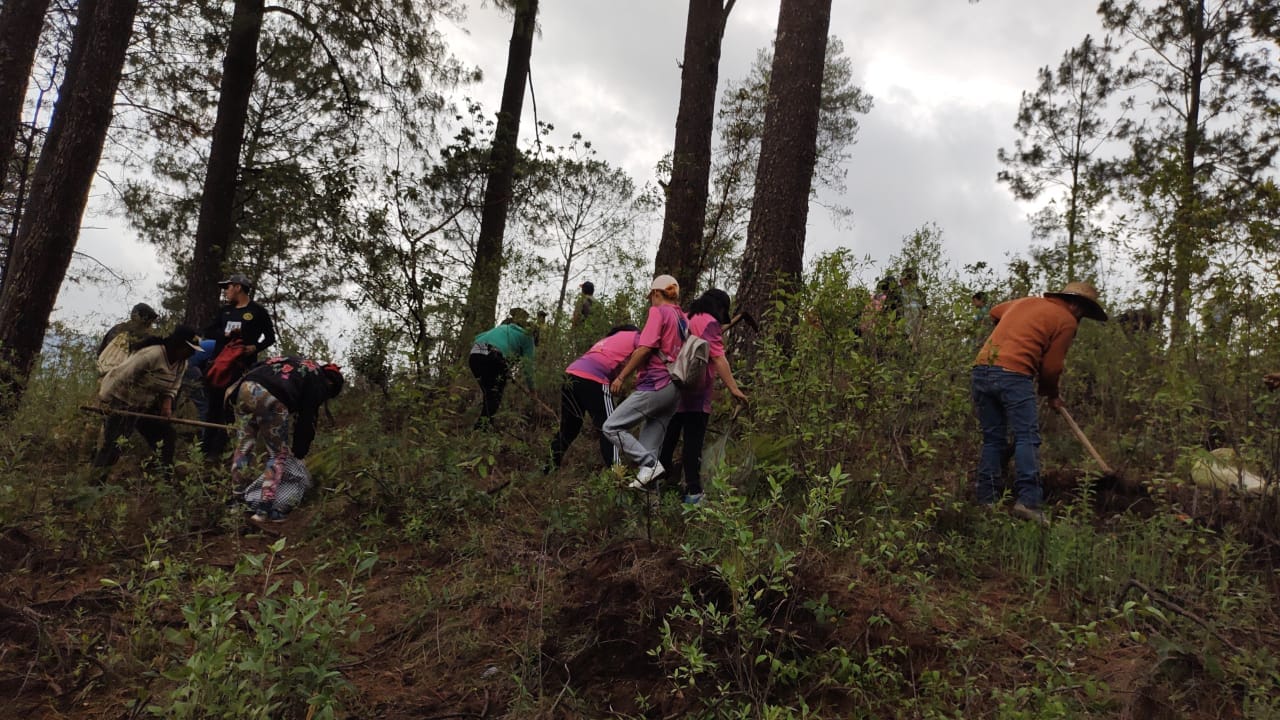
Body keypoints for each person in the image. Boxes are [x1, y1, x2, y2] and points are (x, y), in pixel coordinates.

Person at [971, 281, 1108, 523]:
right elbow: (1052, 368)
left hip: (981, 369)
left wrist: (1013, 333)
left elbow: (994, 312)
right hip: (1014, 374)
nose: (1081, 319)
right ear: (1076, 306)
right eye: (1083, 314)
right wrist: (1051, 394)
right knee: (1027, 437)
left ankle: (987, 500)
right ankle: (1029, 502)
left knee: (993, 438)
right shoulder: (1066, 320)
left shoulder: (1026, 302)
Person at [657, 289, 748, 505]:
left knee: (667, 442)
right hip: (696, 396)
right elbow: (718, 358)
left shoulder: (687, 317)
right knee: (693, 444)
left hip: (674, 389)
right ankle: (694, 493)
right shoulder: (710, 323)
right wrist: (734, 389)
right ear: (720, 308)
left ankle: (656, 488)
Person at [227, 356, 343, 522]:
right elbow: (307, 418)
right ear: (331, 385)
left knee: (244, 447)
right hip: (272, 398)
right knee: (277, 454)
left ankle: (236, 502)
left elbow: (256, 365)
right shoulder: (317, 379)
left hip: (245, 388)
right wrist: (299, 450)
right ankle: (263, 509)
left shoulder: (295, 362)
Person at [602, 274, 687, 489]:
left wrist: (622, 376)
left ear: (657, 293)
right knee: (649, 459)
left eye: (652, 296)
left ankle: (650, 464)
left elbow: (645, 348)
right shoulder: (683, 318)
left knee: (611, 427)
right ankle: (653, 511)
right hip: (675, 390)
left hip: (656, 385)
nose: (651, 300)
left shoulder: (659, 312)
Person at [92, 325, 202, 481]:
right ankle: (96, 482)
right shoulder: (151, 354)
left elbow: (173, 386)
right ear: (178, 344)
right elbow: (118, 375)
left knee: (166, 436)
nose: (192, 353)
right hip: (123, 401)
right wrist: (103, 400)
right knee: (115, 444)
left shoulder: (181, 363)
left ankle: (166, 479)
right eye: (189, 349)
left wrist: (167, 404)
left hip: (145, 405)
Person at [201, 273, 276, 457]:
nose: (226, 291)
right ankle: (205, 452)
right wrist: (224, 336)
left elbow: (270, 337)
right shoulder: (225, 311)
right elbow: (208, 331)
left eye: (228, 287)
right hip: (220, 366)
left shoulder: (257, 311)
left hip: (242, 369)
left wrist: (255, 347)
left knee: (232, 410)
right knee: (213, 408)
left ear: (238, 287)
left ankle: (226, 451)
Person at [546, 324, 639, 473]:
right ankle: (618, 476)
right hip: (594, 379)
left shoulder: (608, 340)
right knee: (611, 427)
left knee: (569, 428)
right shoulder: (636, 336)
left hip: (571, 374)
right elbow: (645, 352)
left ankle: (549, 468)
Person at [469, 308, 537, 430]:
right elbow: (528, 367)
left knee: (489, 394)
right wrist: (532, 390)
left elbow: (478, 337)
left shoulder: (503, 327)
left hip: (475, 352)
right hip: (494, 355)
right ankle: (480, 430)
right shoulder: (529, 338)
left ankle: (486, 425)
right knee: (494, 396)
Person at [96, 302, 159, 376]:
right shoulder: (146, 338)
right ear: (138, 317)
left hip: (105, 376)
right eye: (149, 322)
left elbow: (99, 353)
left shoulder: (117, 329)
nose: (150, 326)